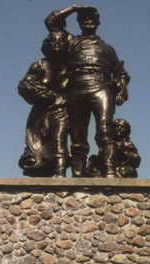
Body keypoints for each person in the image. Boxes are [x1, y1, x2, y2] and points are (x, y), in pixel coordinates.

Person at [45, 4, 130, 177]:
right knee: (77, 136)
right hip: (77, 88)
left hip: (102, 88)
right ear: (79, 22)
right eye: (83, 18)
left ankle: (110, 171)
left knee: (106, 130)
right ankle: (78, 173)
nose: (88, 21)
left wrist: (121, 85)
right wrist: (74, 7)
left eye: (91, 18)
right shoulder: (71, 42)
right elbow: (51, 21)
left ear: (98, 22)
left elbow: (123, 74)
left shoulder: (108, 49)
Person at [18, 30, 70, 177]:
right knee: (36, 147)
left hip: (62, 109)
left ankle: (61, 173)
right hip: (40, 112)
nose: (57, 44)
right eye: (53, 41)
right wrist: (44, 95)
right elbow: (24, 86)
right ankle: (40, 169)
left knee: (59, 137)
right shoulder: (39, 66)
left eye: (61, 41)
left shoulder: (71, 67)